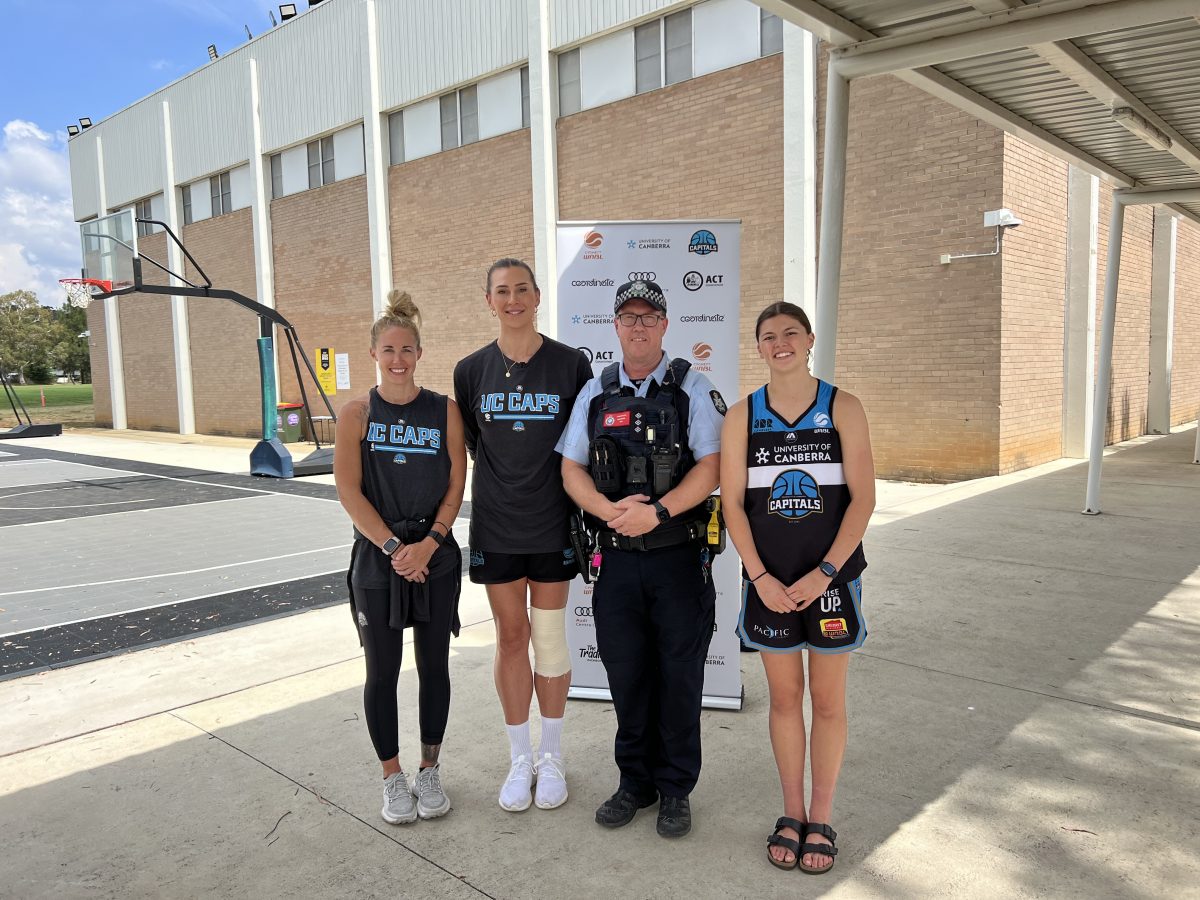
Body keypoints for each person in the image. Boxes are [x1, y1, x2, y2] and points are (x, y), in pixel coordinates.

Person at [557, 277, 725, 839]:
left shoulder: (691, 389)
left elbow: (711, 467)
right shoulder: (596, 393)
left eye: (648, 317)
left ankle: (675, 789)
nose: (638, 325)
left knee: (679, 678)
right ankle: (635, 783)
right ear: (616, 325)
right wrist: (608, 513)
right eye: (628, 316)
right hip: (617, 561)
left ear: (664, 324)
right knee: (627, 676)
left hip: (677, 557)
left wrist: (658, 511)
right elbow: (571, 469)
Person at [719, 301, 875, 875]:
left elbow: (862, 497)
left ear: (809, 340)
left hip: (830, 583)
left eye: (790, 333)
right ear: (757, 347)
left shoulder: (843, 407)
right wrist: (760, 576)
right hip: (770, 584)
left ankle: (822, 816)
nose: (780, 343)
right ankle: (791, 813)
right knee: (785, 700)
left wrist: (825, 573)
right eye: (768, 336)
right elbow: (733, 504)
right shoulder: (742, 416)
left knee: (828, 703)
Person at [453, 258, 592, 812]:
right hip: (497, 524)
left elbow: (581, 442)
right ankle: (519, 758)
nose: (513, 299)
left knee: (550, 640)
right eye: (502, 291)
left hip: (554, 523)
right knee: (511, 639)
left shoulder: (570, 365)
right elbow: (471, 446)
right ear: (488, 300)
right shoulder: (470, 371)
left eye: (522, 290)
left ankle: (552, 755)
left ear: (537, 296)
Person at [334, 289, 467, 827]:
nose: (397, 360)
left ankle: (428, 769)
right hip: (379, 562)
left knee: (434, 668)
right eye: (388, 350)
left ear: (419, 353)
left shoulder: (444, 411)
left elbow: (458, 481)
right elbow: (348, 489)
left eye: (406, 349)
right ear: (374, 355)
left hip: (434, 556)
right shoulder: (357, 413)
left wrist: (431, 543)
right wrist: (393, 549)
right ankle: (392, 778)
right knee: (381, 673)